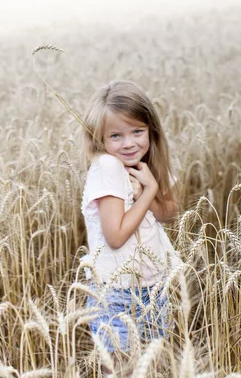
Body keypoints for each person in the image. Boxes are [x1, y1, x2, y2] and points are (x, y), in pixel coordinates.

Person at [80, 80, 181, 369]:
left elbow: (169, 211)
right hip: (118, 297)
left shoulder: (146, 164)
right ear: (99, 138)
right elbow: (115, 236)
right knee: (123, 370)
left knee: (154, 370)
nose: (128, 143)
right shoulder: (109, 168)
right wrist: (147, 193)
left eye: (137, 131)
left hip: (155, 290)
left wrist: (146, 191)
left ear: (151, 130)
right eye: (116, 135)